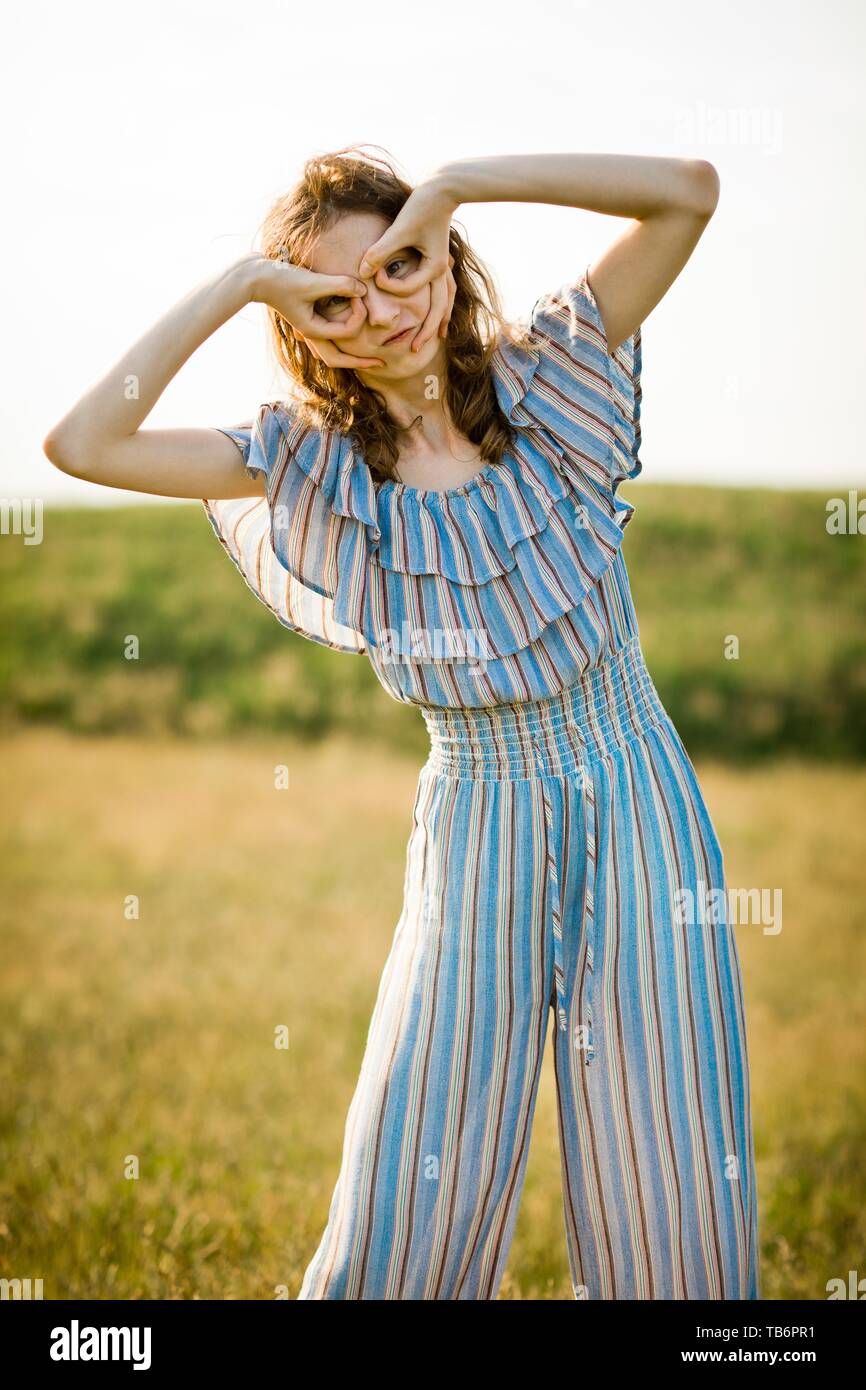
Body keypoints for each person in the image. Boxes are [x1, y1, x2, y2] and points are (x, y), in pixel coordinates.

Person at [43, 145, 760, 1302]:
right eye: (334, 296)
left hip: (637, 799)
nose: (380, 309)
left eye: (397, 266)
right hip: (474, 821)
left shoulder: (552, 382)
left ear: (441, 259)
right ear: (303, 327)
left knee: (666, 1166)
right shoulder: (312, 472)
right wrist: (238, 285)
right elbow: (85, 444)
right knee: (412, 1172)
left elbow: (688, 190)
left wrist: (458, 181)